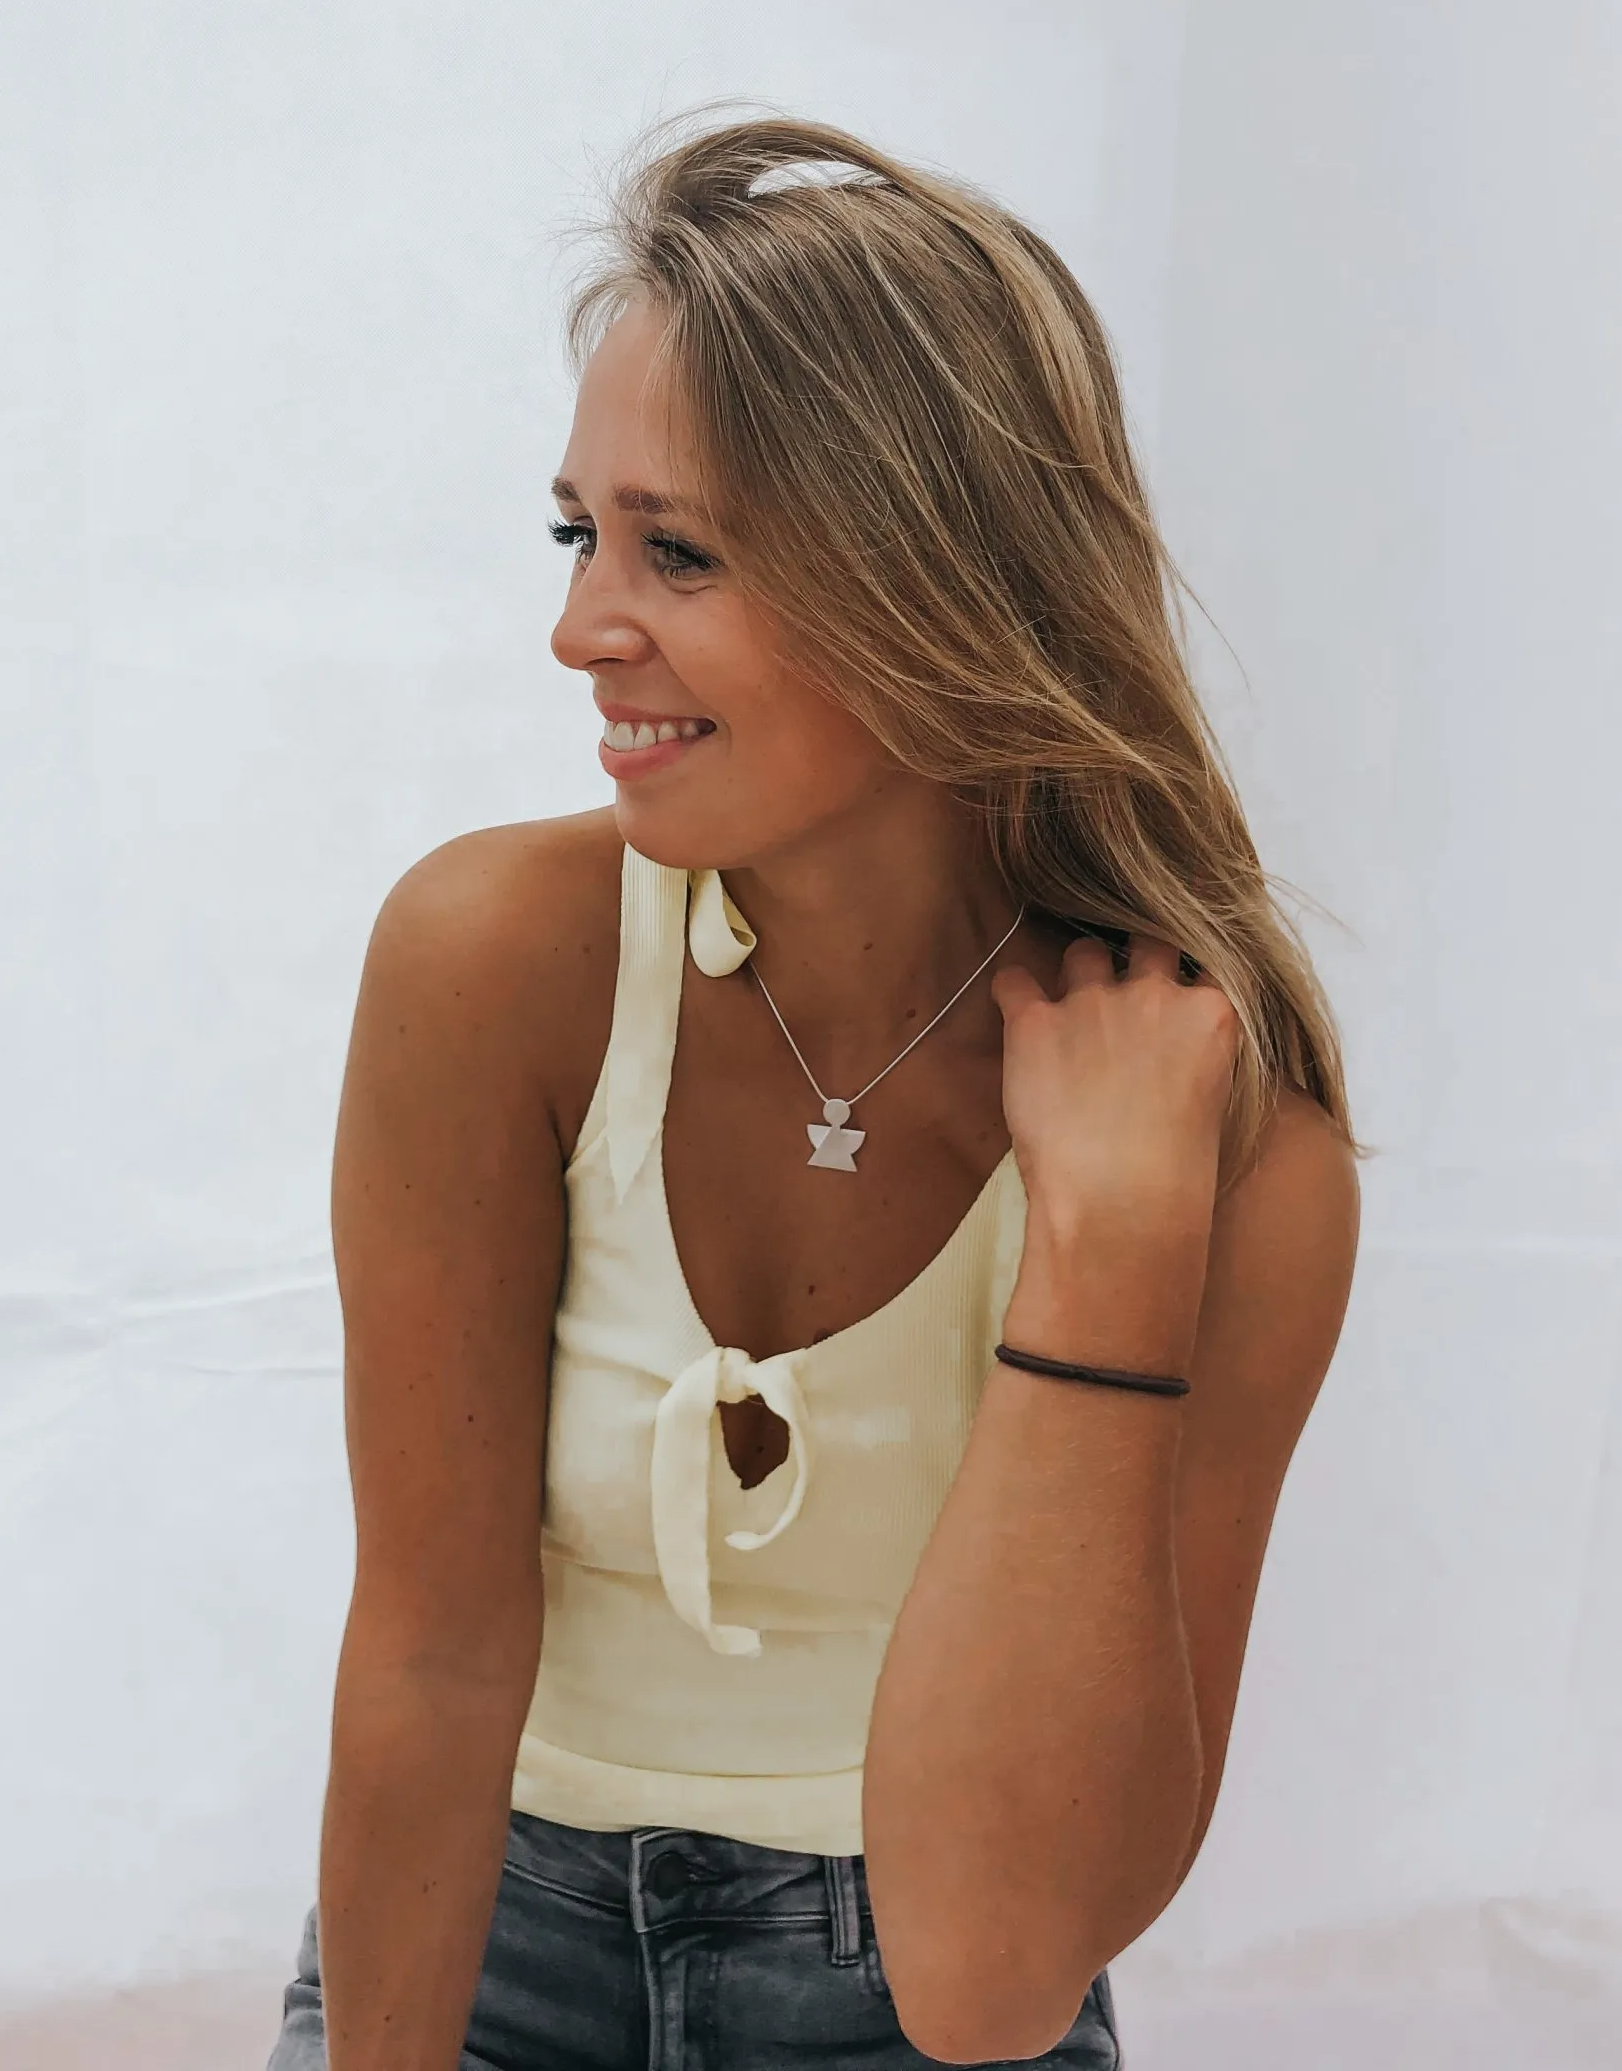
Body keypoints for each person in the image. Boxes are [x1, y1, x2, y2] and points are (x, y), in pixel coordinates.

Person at [267, 111, 1363, 2071]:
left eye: (676, 551)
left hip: (919, 1985)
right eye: (579, 532)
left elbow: (996, 1978)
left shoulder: (1234, 1145)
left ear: (938, 582)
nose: (579, 629)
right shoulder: (494, 966)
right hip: (477, 1942)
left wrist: (1108, 1249)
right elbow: (431, 1661)